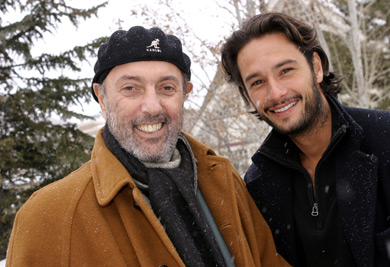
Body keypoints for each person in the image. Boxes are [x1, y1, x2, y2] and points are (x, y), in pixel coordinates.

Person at [6, 26, 290, 267]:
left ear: (184, 95)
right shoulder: (50, 216)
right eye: (131, 88)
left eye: (167, 87)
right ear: (102, 99)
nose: (152, 106)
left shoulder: (224, 180)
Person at [221, 12, 390, 267]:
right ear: (247, 97)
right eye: (258, 82)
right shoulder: (257, 187)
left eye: (285, 70)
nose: (276, 93)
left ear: (316, 67)